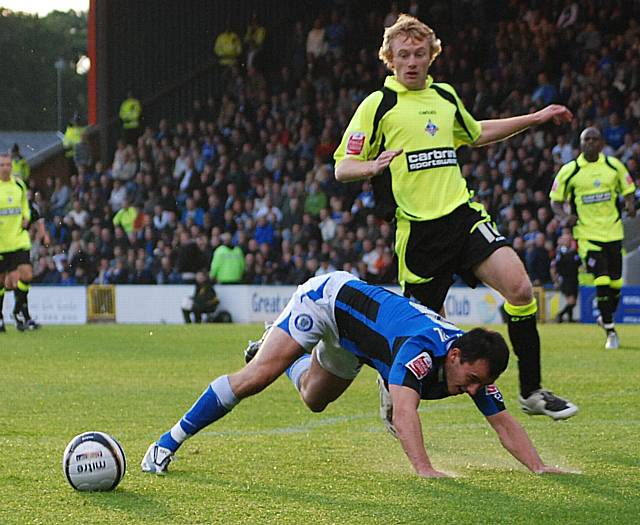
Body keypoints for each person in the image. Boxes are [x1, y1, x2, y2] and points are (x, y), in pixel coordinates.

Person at [333, 14, 577, 419]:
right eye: (403, 55)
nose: (412, 61)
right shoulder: (379, 105)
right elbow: (343, 166)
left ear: (432, 56)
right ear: (389, 59)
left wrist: (533, 119)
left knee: (519, 289)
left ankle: (532, 392)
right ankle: (390, 387)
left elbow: (475, 132)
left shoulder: (444, 96)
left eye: (419, 53)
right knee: (421, 336)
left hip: (462, 217)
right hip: (420, 234)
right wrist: (372, 166)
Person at [142, 271, 568, 477]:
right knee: (255, 378)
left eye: (479, 383)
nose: (472, 390)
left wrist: (539, 467)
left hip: (358, 341)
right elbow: (404, 416)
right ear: (454, 355)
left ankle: (286, 351)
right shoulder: (420, 352)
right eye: (471, 379)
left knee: (314, 399)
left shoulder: (472, 361)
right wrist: (425, 469)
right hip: (327, 303)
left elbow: (503, 421)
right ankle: (166, 443)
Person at [550, 127, 637, 349]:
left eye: (594, 139)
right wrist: (564, 217)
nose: (589, 142)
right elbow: (555, 200)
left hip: (614, 231)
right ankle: (610, 330)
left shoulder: (613, 166)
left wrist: (629, 204)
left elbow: (628, 188)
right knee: (602, 278)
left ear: (601, 143)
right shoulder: (570, 170)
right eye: (585, 139)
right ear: (580, 143)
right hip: (587, 235)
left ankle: (605, 316)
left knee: (616, 282)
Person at [0, 151, 41, 332]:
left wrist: (26, 217)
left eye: (8, 164)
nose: (6, 168)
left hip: (19, 239)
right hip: (1, 242)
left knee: (27, 275)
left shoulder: (19, 184)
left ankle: (17, 311)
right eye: (2, 165)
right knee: (3, 283)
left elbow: (25, 205)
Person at [551, 232, 581, 323]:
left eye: (569, 240)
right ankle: (560, 315)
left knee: (573, 301)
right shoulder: (560, 253)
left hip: (574, 279)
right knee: (571, 301)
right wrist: (555, 280)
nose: (567, 242)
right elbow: (553, 267)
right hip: (566, 279)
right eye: (565, 240)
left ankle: (570, 319)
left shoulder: (574, 252)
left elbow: (579, 264)